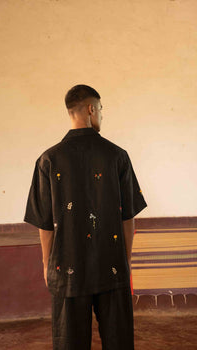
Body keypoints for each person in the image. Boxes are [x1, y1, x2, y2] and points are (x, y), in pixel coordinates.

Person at [23, 84, 147, 350]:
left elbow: (45, 223)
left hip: (67, 267)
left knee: (70, 342)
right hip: (111, 264)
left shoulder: (48, 159)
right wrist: (125, 260)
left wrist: (47, 264)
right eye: (101, 109)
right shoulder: (117, 156)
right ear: (91, 109)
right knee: (118, 340)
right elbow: (128, 218)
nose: (101, 115)